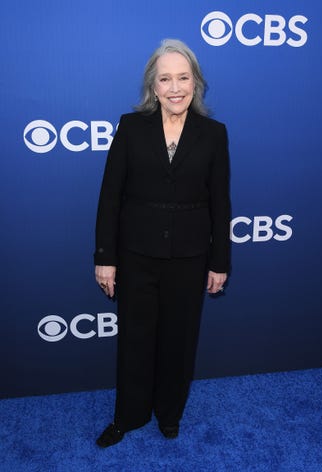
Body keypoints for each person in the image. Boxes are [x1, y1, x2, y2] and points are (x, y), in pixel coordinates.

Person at [94, 38, 231, 448]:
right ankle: (128, 415)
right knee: (135, 341)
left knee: (179, 341)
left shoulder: (213, 133)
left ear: (196, 83)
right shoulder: (131, 127)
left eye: (183, 78)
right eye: (165, 78)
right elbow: (110, 196)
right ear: (153, 87)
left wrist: (219, 262)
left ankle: (169, 414)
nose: (175, 87)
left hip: (190, 258)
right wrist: (106, 257)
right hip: (136, 256)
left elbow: (220, 203)